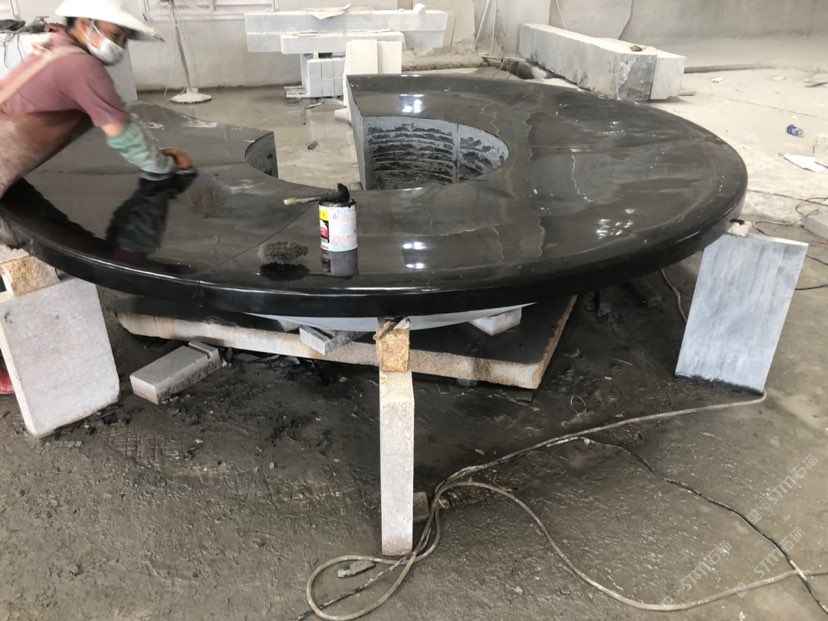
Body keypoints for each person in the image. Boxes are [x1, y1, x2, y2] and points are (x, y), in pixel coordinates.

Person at [0, 0, 192, 394]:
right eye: (116, 34)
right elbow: (122, 133)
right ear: (85, 24)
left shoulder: (54, 47)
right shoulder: (80, 66)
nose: (119, 45)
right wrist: (162, 167)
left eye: (124, 39)